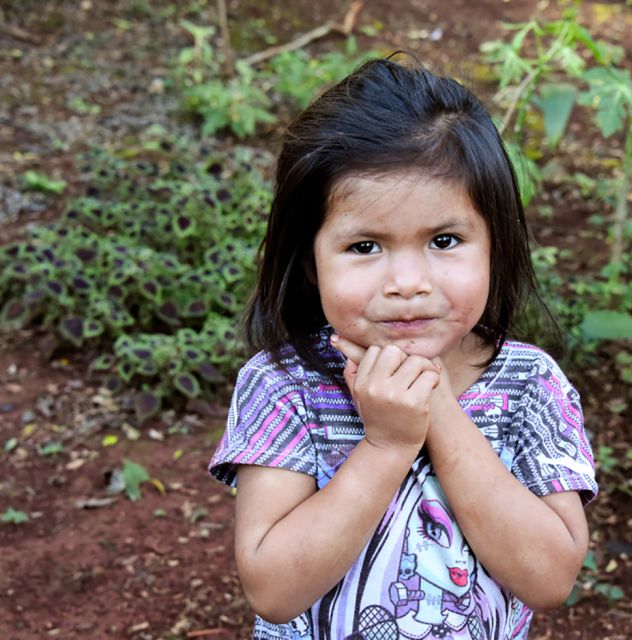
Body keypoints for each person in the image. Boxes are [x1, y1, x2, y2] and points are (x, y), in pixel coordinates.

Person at [209, 57, 598, 640]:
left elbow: (549, 579)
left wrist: (435, 407)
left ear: (496, 245)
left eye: (445, 240)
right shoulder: (285, 386)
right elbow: (272, 590)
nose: (408, 282)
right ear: (310, 261)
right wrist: (387, 443)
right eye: (365, 246)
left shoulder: (528, 386)